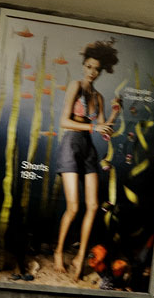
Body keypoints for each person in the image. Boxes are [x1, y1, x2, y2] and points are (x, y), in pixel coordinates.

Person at [52, 39, 121, 280]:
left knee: (93, 206)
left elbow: (104, 130)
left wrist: (114, 113)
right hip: (71, 144)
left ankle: (81, 256)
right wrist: (94, 127)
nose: (92, 72)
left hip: (89, 149)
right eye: (89, 67)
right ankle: (59, 251)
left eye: (97, 69)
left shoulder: (99, 97)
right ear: (84, 65)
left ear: (101, 71)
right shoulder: (76, 86)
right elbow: (64, 122)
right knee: (74, 207)